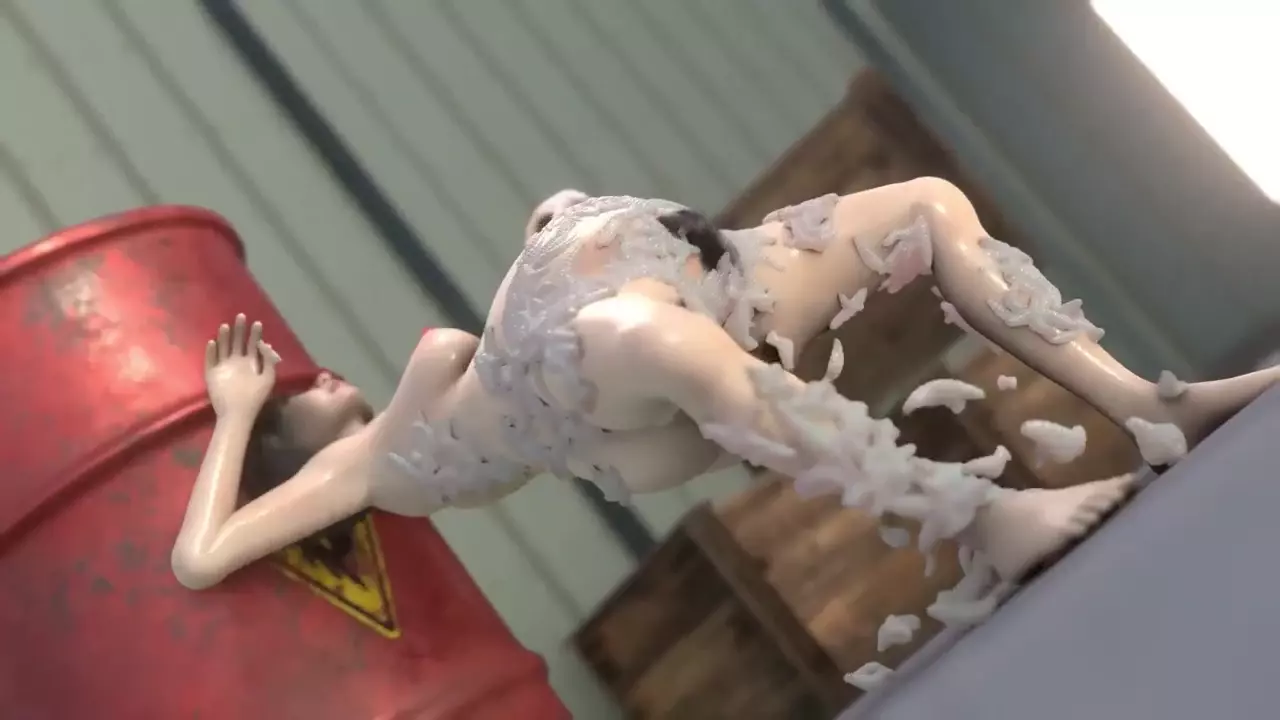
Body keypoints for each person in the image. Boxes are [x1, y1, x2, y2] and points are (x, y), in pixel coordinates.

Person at [173, 180, 1278, 592]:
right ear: (293, 444)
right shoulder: (370, 469)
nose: (311, 379)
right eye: (295, 398)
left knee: (925, 208)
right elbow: (201, 556)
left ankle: (1150, 409)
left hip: (702, 280)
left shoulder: (403, 423)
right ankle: (978, 515)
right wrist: (234, 414)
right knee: (639, 339)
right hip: (594, 393)